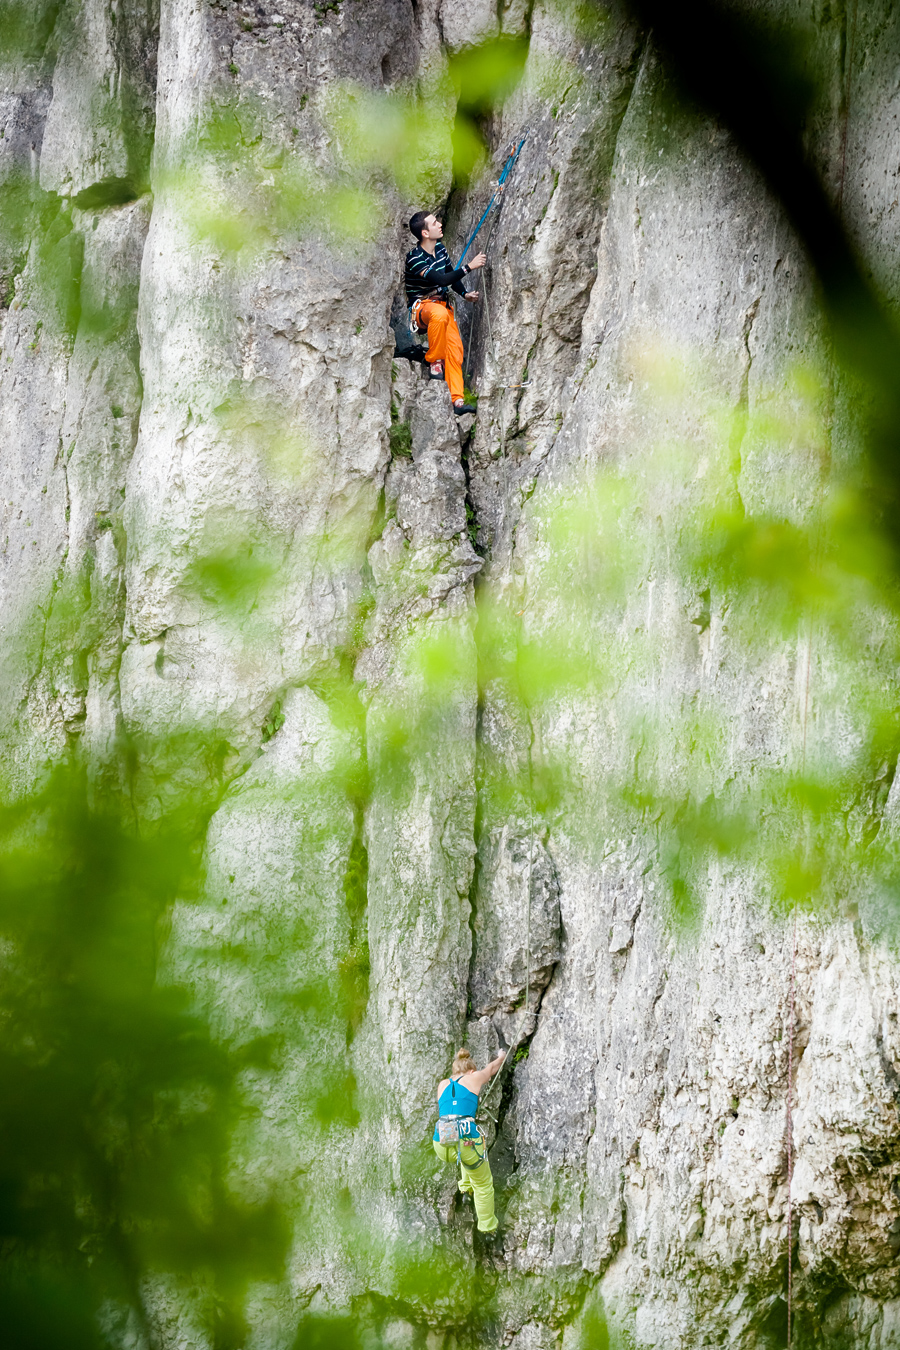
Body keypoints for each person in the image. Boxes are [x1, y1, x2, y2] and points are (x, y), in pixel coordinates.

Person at [405, 211, 486, 415]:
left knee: (455, 351)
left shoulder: (440, 249)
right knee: (439, 315)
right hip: (423, 308)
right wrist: (469, 267)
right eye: (434, 223)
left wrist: (464, 293)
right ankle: (434, 361)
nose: (439, 224)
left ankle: (456, 401)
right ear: (425, 232)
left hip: (442, 305)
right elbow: (439, 280)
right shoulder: (414, 258)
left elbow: (449, 274)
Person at [433, 1046, 506, 1232]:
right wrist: (501, 1056)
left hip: (441, 1143)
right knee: (483, 1184)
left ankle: (465, 1188)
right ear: (471, 1070)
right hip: (467, 1143)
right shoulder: (474, 1077)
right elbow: (491, 1069)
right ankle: (488, 1227)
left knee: (461, 1147)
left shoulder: (442, 1084)